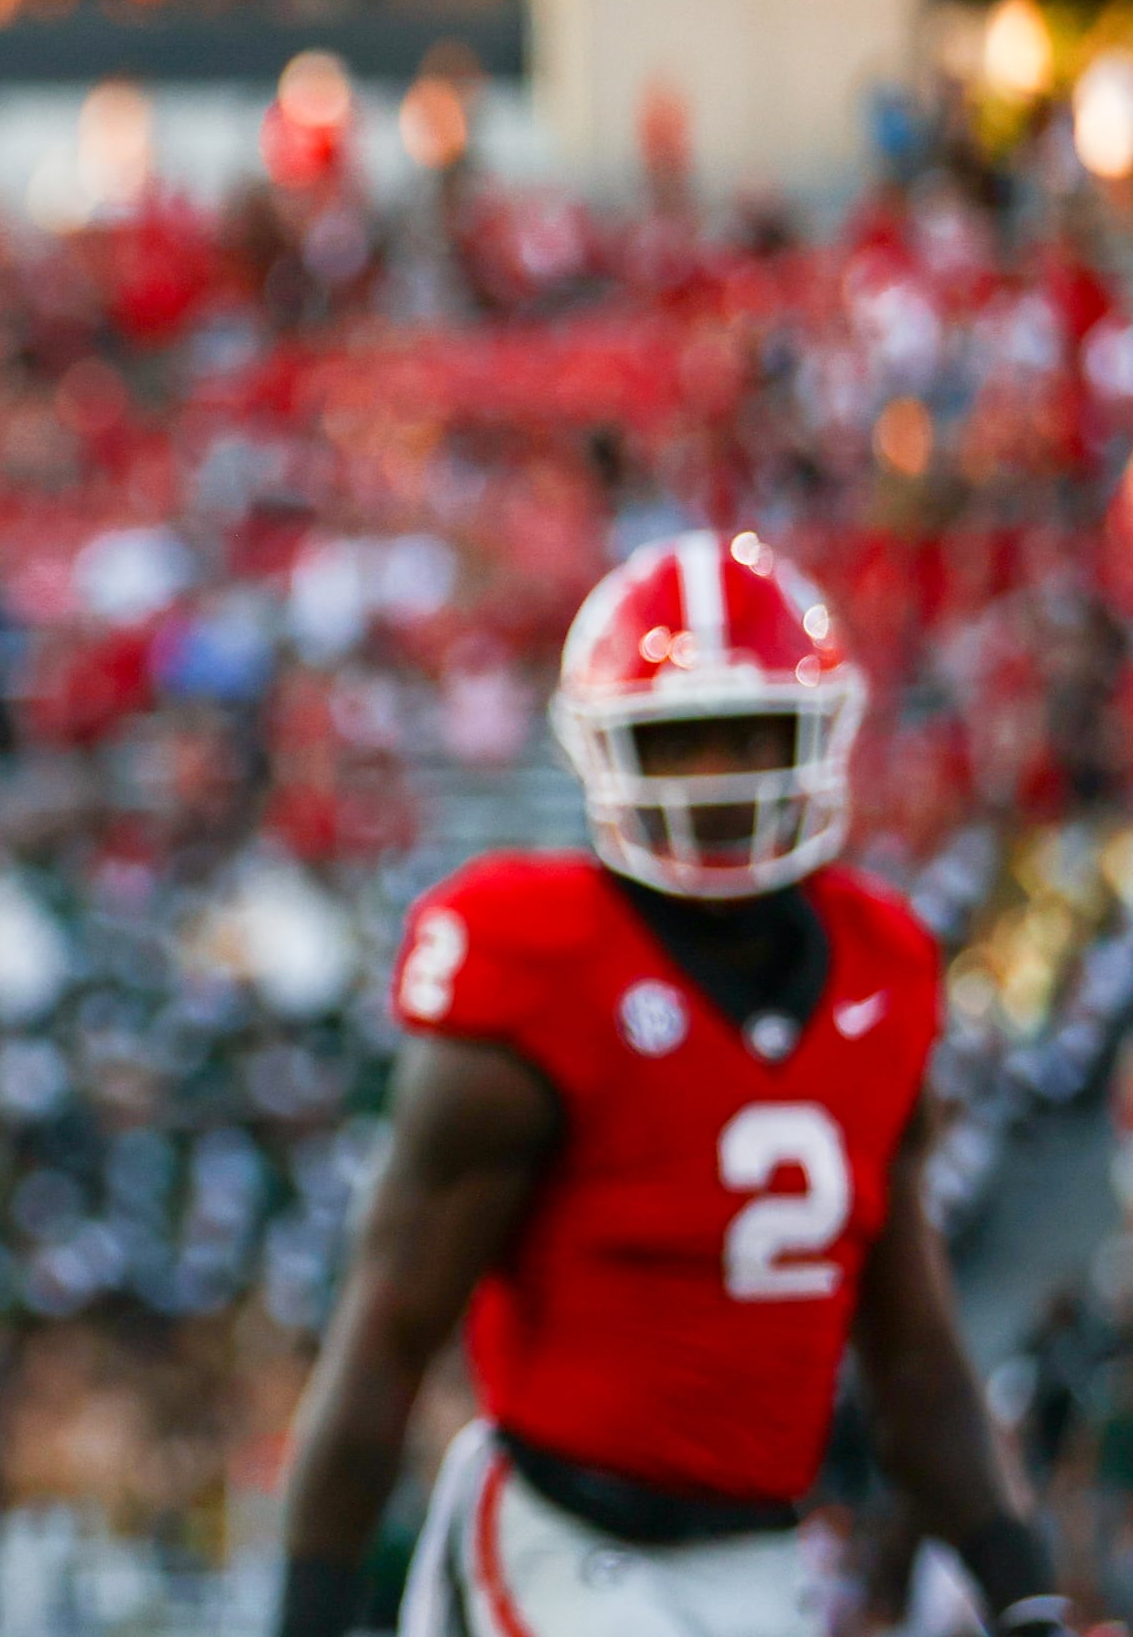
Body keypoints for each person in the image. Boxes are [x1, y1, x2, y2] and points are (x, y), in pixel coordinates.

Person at [274, 532, 1065, 1637]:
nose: (721, 780)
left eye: (751, 736)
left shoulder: (884, 969)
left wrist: (1023, 1586)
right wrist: (305, 1617)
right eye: (683, 742)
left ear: (820, 734)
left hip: (762, 1555)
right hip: (559, 1542)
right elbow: (384, 1339)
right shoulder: (534, 959)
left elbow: (916, 1356)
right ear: (603, 752)